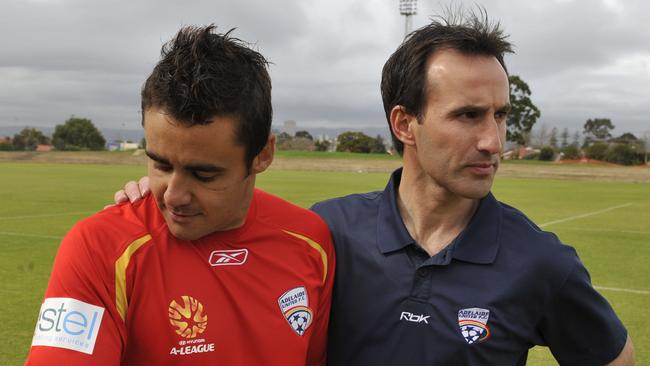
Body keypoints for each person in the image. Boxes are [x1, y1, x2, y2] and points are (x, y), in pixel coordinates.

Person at [112, 12, 635, 366]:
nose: (493, 140)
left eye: (500, 116)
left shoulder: (540, 261)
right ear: (405, 123)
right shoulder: (324, 233)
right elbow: (214, 252)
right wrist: (156, 196)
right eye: (468, 116)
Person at [26, 25, 334, 366]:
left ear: (262, 154)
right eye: (160, 165)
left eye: (203, 174)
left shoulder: (310, 239)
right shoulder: (99, 246)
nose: (173, 196)